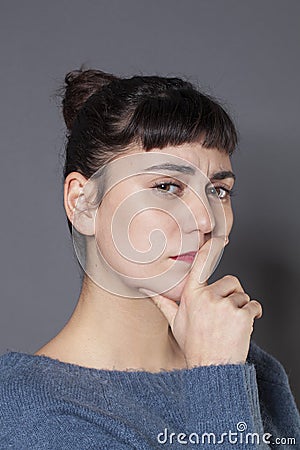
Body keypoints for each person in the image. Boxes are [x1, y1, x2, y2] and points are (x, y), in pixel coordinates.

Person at [0, 69, 299, 449]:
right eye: (166, 186)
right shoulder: (32, 414)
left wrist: (224, 371)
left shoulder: (254, 372)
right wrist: (217, 378)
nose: (207, 220)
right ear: (84, 203)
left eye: (219, 191)